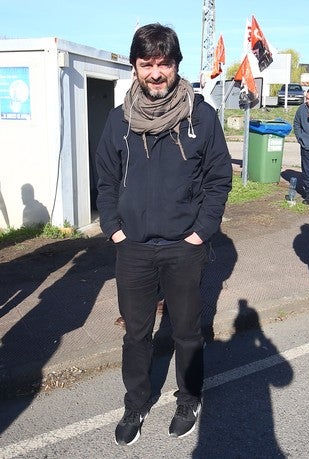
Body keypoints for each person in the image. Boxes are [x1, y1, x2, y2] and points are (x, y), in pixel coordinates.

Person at [96, 23, 232, 446]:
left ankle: (189, 398)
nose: (156, 73)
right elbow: (105, 179)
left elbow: (219, 178)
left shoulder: (202, 116)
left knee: (187, 331)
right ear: (136, 67)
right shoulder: (119, 120)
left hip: (183, 247)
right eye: (147, 64)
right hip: (133, 248)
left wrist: (202, 232)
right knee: (137, 333)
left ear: (176, 65)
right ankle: (136, 402)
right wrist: (113, 230)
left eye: (164, 64)